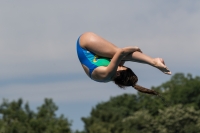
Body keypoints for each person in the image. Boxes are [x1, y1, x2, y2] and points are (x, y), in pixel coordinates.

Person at [76, 32, 171, 95]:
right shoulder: (112, 74)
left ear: (118, 73)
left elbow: (121, 51)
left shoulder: (107, 74)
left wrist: (135, 48)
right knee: (124, 56)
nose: (121, 65)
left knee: (118, 52)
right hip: (94, 51)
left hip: (85, 43)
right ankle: (154, 61)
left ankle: (154, 62)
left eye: (122, 67)